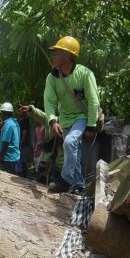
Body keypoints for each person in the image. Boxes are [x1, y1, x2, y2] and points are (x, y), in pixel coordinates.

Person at [43, 36, 99, 195]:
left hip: (82, 117)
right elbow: (49, 102)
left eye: (56, 53)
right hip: (65, 119)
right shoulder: (52, 78)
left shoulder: (85, 74)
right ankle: (79, 185)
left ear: (67, 55)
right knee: (73, 151)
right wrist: (53, 121)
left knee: (69, 142)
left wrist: (91, 125)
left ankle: (65, 179)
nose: (53, 55)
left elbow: (94, 101)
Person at [0, 102, 23, 175]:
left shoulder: (8, 124)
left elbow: (5, 142)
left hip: (8, 159)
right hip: (15, 157)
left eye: (1, 112)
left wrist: (0, 157)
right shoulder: (15, 122)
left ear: (4, 113)